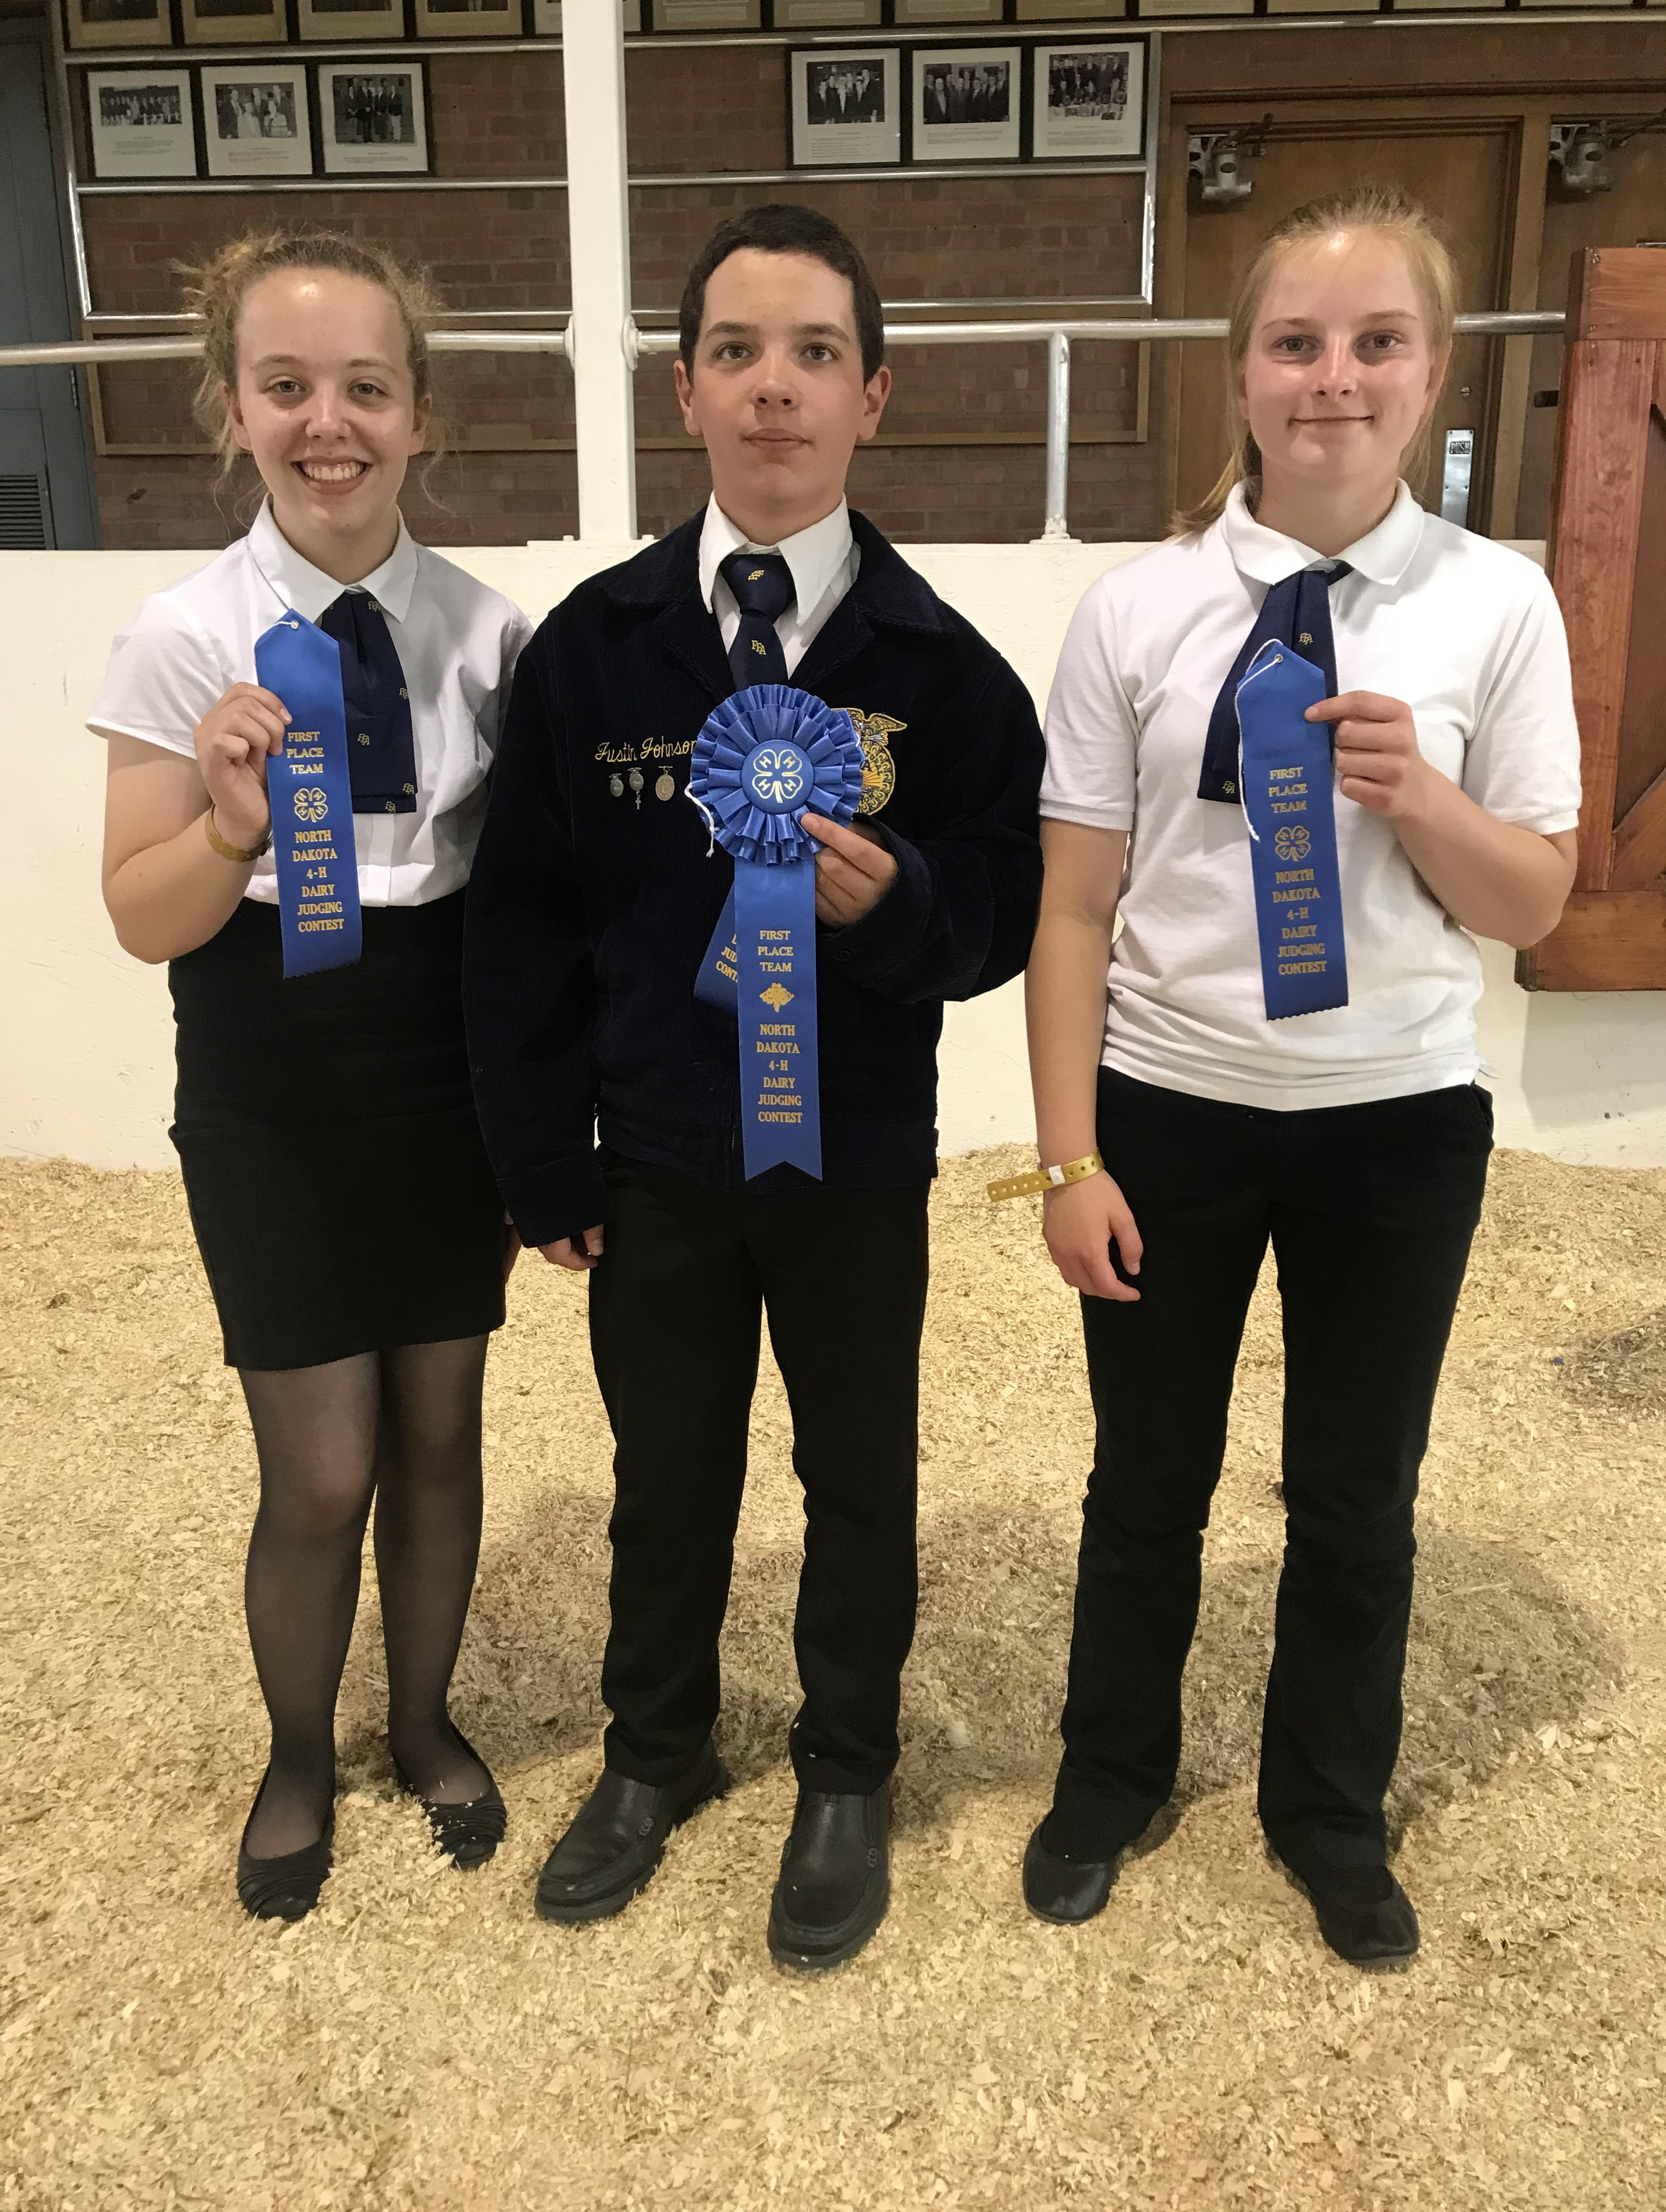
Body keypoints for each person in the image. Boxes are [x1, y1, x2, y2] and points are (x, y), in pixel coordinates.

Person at [463, 202, 1043, 1971]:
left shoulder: (945, 676)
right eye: (735, 353)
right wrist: (535, 1158)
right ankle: (656, 1754)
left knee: (860, 1471)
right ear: (687, 391)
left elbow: (1011, 909)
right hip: (654, 1161)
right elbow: (521, 924)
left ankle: (847, 1771)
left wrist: (910, 906)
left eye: (811, 356)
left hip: (855, 1159)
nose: (772, 391)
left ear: (876, 394)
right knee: (668, 1471)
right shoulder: (596, 650)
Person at [1018, 186, 1581, 1967]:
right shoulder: (1141, 612)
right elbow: (1076, 905)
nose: (1333, 378)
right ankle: (1109, 1775)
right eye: (1296, 342)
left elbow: (1538, 901)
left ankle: (1328, 1808)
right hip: (1171, 1117)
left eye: (1375, 343)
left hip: (1397, 1125)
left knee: (1357, 1494)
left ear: (1429, 375)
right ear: (1240, 373)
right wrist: (1064, 1161)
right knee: (1146, 1478)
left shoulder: (1498, 603)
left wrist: (1422, 796)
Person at [93, 229, 532, 1923]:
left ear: (421, 414)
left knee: (440, 1432)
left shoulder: (490, 636)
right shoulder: (177, 635)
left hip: (442, 1067)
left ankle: (422, 1723)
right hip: (270, 1076)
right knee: (322, 1464)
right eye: (287, 387)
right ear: (232, 408)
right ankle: (301, 1748)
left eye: (365, 386)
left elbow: (519, 897)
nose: (327, 421)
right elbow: (141, 919)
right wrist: (223, 825)